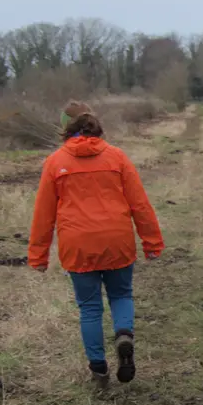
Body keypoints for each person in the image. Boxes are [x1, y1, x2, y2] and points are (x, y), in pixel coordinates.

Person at [28, 101, 165, 390]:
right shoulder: (117, 157)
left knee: (89, 308)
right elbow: (139, 204)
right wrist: (152, 243)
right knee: (121, 295)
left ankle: (99, 369)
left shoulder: (55, 162)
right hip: (117, 240)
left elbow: (43, 214)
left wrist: (38, 256)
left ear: (66, 127)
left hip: (78, 245)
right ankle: (124, 334)